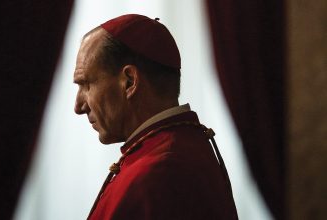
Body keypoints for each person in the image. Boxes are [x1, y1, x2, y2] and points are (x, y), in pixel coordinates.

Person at [73, 14, 238, 220]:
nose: (78, 107)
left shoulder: (157, 173)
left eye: (86, 85)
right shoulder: (185, 144)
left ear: (129, 81)